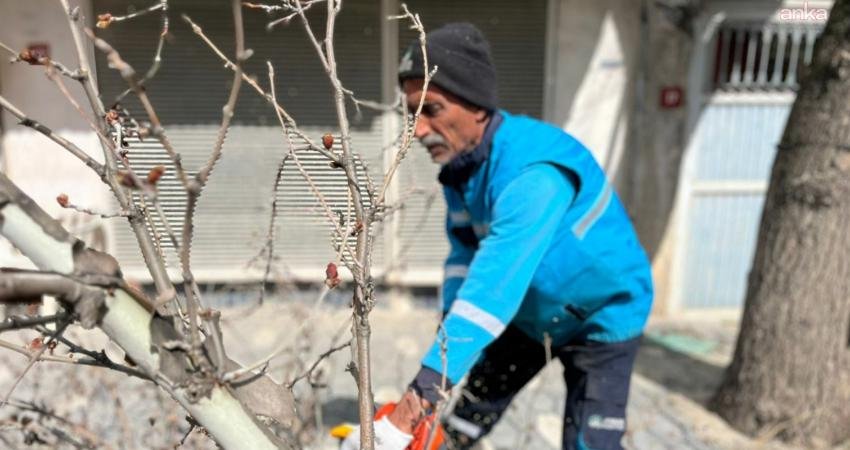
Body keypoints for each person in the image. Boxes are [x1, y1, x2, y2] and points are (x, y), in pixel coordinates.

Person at [383, 23, 653, 450]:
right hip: (528, 314)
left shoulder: (535, 172)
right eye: (410, 114)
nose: (416, 131)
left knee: (591, 443)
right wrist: (449, 340)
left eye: (430, 110)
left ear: (476, 105)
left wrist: (411, 408)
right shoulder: (462, 170)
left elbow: (494, 283)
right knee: (466, 421)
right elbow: (463, 255)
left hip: (602, 318)